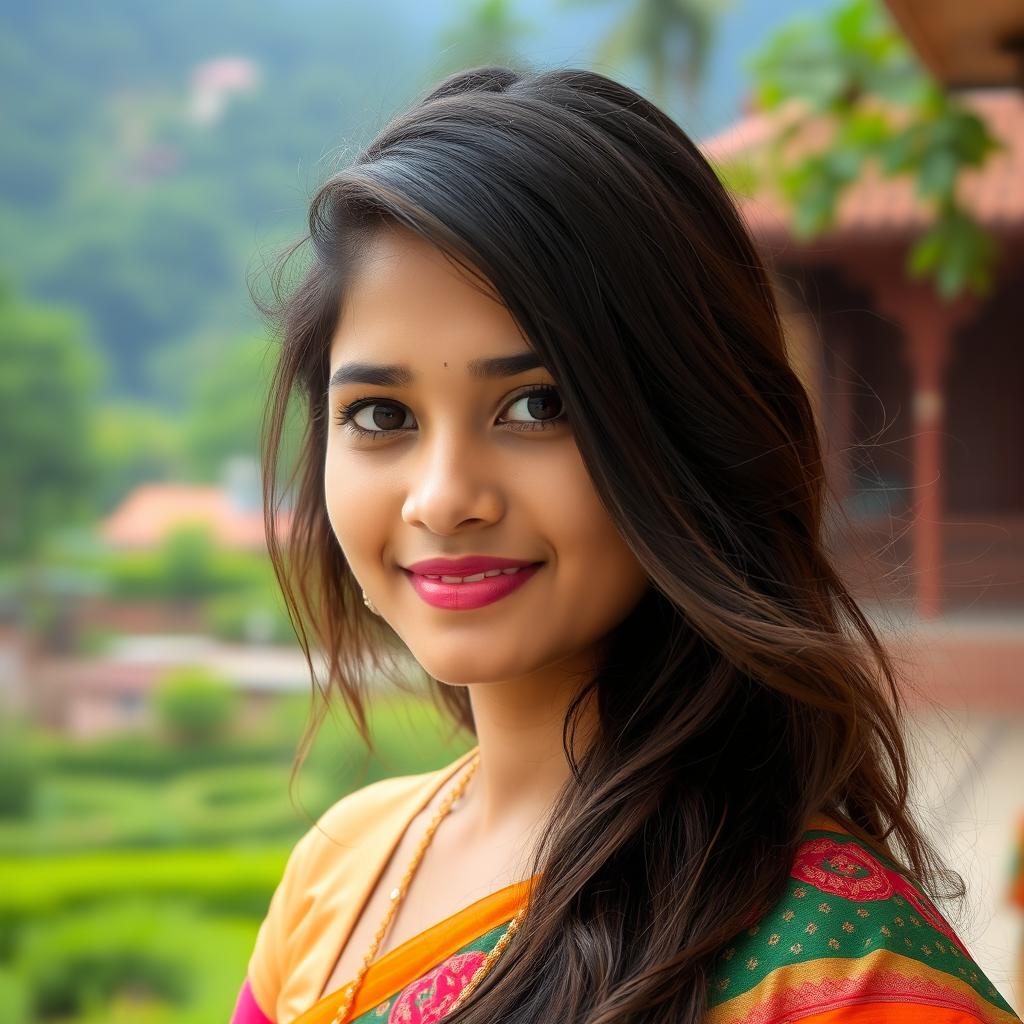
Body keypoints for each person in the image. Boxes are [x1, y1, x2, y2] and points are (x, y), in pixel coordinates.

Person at [230, 65, 1021, 1024]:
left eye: (537, 405)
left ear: (690, 432)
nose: (443, 499)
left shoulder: (839, 983)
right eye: (381, 414)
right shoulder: (341, 871)